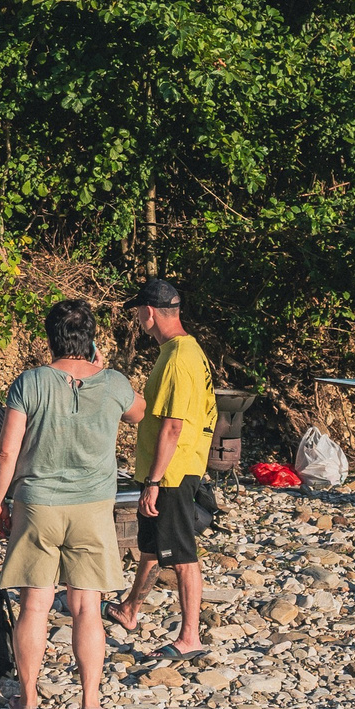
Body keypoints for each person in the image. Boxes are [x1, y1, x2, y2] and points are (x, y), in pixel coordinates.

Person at [0, 298, 143, 709]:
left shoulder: (30, 382)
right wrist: (105, 368)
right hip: (92, 505)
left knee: (34, 605)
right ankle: (90, 705)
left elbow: (6, 451)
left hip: (38, 502)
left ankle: (28, 703)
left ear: (49, 337)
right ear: (91, 338)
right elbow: (139, 413)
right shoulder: (113, 382)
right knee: (87, 608)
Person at [111, 279, 218, 654]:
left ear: (149, 313)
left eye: (138, 312)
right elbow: (155, 412)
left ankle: (190, 637)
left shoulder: (177, 357)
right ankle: (130, 608)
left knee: (183, 557)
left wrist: (154, 480)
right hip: (171, 468)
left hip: (173, 472)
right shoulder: (183, 351)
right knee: (153, 548)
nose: (138, 319)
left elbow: (173, 426)